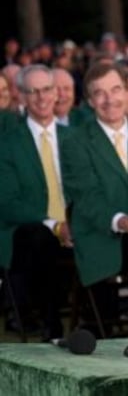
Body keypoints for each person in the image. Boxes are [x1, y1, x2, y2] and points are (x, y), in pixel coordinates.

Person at [61, 63, 128, 315]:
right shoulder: (75, 143)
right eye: (99, 93)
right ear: (88, 100)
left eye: (116, 89)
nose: (110, 100)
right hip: (105, 235)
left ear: (127, 93)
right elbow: (87, 198)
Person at [0, 65, 73, 339]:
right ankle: (50, 325)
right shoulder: (7, 143)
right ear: (21, 96)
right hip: (27, 232)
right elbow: (7, 202)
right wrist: (55, 225)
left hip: (78, 227)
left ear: (56, 93)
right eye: (32, 92)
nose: (41, 98)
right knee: (38, 237)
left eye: (46, 90)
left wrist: (77, 222)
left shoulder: (75, 137)